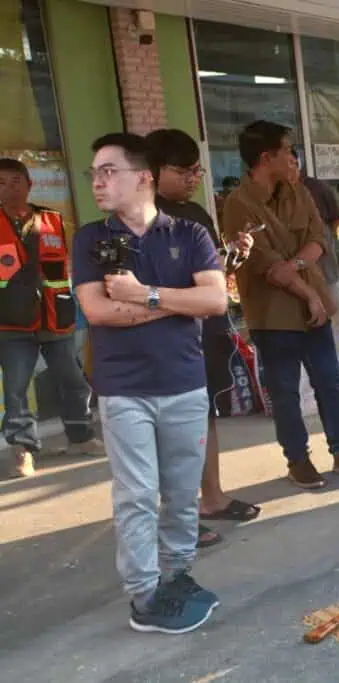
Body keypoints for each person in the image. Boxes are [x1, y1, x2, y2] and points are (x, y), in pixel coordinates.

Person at [72, 133, 226, 633]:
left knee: (182, 492)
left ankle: (176, 575)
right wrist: (176, 304)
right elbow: (97, 311)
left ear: (143, 177)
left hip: (184, 383)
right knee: (137, 494)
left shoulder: (190, 234)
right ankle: (143, 596)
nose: (97, 181)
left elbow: (217, 303)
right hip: (125, 389)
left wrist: (146, 296)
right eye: (93, 173)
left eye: (108, 171)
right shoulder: (91, 239)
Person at [221, 121, 339, 490]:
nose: (292, 157)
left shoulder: (298, 191)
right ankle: (298, 460)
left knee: (330, 382)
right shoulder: (238, 205)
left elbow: (319, 238)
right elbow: (268, 268)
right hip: (273, 315)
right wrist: (311, 293)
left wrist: (300, 266)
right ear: (266, 158)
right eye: (287, 151)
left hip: (314, 308)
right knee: (285, 391)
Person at [143, 129, 261, 549]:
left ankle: (211, 498)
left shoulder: (195, 212)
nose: (194, 177)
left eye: (197, 169)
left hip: (205, 331)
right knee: (169, 428)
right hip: (164, 337)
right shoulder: (138, 219)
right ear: (153, 171)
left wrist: (234, 255)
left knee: (202, 416)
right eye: (183, 169)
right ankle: (177, 516)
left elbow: (212, 275)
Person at [0, 158, 103, 478]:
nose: (9, 187)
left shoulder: (52, 219)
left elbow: (67, 268)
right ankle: (23, 448)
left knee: (72, 380)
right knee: (16, 387)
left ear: (29, 184)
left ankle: (80, 436)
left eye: (15, 181)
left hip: (55, 315)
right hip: (10, 320)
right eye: (1, 182)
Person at [290, 147, 339, 388]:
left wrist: (322, 241)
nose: (290, 167)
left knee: (337, 317)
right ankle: (316, 376)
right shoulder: (272, 194)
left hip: (324, 265)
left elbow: (337, 217)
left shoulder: (316, 188)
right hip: (294, 272)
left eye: (292, 161)